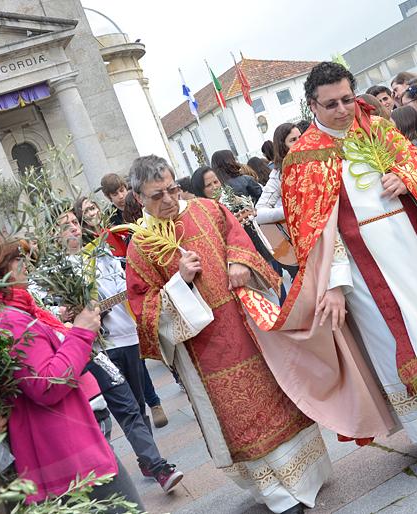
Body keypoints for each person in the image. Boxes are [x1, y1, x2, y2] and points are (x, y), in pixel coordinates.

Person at [263, 61, 417, 474]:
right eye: (330, 104)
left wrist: (404, 177)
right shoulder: (302, 161)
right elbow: (314, 232)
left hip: (413, 248)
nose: (342, 110)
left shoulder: (377, 128)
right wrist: (336, 283)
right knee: (393, 346)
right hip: (361, 271)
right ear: (312, 106)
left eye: (346, 99)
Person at [125, 155, 331, 514]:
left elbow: (239, 238)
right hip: (207, 353)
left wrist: (238, 262)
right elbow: (144, 311)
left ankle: (308, 474)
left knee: (279, 397)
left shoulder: (207, 209)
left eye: (172, 188)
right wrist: (179, 283)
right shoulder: (140, 247)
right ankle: (279, 496)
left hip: (248, 327)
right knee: (241, 419)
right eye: (157, 195)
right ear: (139, 197)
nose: (170, 199)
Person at [0, 233, 144, 509]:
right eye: (19, 259)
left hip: (60, 447)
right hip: (68, 452)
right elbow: (46, 384)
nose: (26, 266)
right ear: (0, 269)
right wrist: (80, 334)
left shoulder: (8, 313)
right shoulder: (9, 321)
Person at [62, 211, 183, 492]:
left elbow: (124, 287)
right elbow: (59, 313)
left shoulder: (102, 256)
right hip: (100, 349)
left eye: (73, 223)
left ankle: (146, 459)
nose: (72, 228)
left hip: (128, 337)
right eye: (64, 226)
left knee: (138, 404)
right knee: (127, 409)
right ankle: (158, 467)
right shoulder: (59, 271)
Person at [256, 123, 300, 225]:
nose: (300, 143)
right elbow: (258, 214)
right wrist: (291, 210)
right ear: (282, 146)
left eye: (301, 137)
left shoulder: (320, 161)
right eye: (293, 140)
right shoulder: (279, 175)